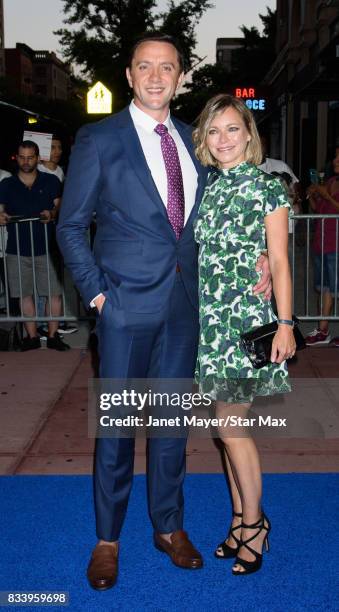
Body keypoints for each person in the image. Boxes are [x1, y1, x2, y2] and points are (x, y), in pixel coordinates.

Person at [56, 33, 272, 590]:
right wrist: (99, 295)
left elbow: (219, 220)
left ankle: (169, 527)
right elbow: (72, 225)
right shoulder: (98, 139)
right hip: (124, 308)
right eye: (145, 67)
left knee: (173, 426)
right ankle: (108, 540)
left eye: (167, 68)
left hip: (186, 308)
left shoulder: (193, 140)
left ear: (181, 77)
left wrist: (260, 261)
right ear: (129, 75)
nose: (156, 76)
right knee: (119, 427)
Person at [193, 94, 295, 575]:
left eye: (233, 129)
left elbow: (279, 260)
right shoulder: (208, 189)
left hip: (247, 323)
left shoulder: (267, 189)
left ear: (249, 135)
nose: (224, 140)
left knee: (233, 428)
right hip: (211, 325)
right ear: (205, 142)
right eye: (214, 132)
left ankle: (255, 525)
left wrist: (288, 323)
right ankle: (239, 519)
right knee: (224, 430)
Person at [0, 141, 70, 351]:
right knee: (24, 294)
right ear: (17, 157)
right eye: (22, 157)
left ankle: (53, 336)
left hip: (47, 247)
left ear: (38, 157)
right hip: (17, 249)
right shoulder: (7, 184)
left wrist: (52, 214)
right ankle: (31, 337)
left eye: (30, 157)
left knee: (53, 293)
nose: (26, 161)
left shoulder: (50, 181)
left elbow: (60, 207)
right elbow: (0, 209)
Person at [305, 152, 339, 347]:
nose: (334, 161)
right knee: (326, 288)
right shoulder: (331, 180)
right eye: (334, 157)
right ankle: (322, 329)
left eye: (338, 158)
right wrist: (313, 196)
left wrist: (325, 194)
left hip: (336, 243)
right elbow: (320, 209)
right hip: (323, 242)